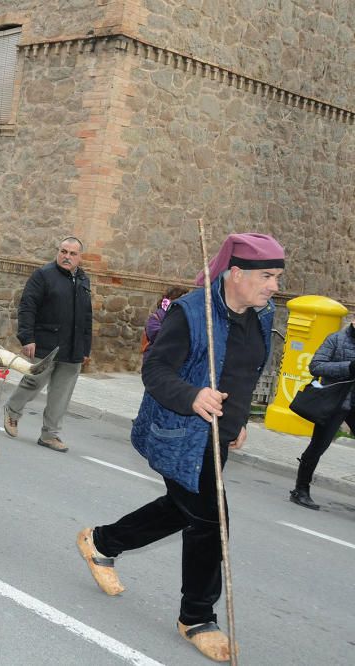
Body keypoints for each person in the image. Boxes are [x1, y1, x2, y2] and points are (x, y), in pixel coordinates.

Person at [77, 233, 285, 662]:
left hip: (217, 435)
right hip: (180, 433)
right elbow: (155, 370)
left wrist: (237, 421)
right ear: (236, 273)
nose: (274, 287)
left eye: (277, 277)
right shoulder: (192, 313)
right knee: (211, 519)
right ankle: (196, 617)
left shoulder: (262, 317)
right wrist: (192, 396)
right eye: (267, 277)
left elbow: (244, 374)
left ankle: (101, 542)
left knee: (182, 507)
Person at [2, 236, 92, 452]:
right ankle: (12, 412)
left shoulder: (83, 279)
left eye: (72, 254)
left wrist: (85, 348)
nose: (67, 256)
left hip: (73, 348)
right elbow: (27, 307)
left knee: (62, 394)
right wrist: (27, 338)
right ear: (58, 251)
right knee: (33, 383)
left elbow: (87, 315)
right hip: (46, 343)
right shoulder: (43, 275)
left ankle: (50, 435)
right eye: (63, 251)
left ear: (80, 257)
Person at [289, 316, 355, 510]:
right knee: (318, 446)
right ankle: (300, 490)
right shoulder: (336, 339)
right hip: (335, 403)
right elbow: (315, 366)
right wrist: (349, 367)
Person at [142, 286, 190, 357]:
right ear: (171, 299)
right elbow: (159, 337)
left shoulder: (185, 317)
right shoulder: (156, 318)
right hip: (157, 359)